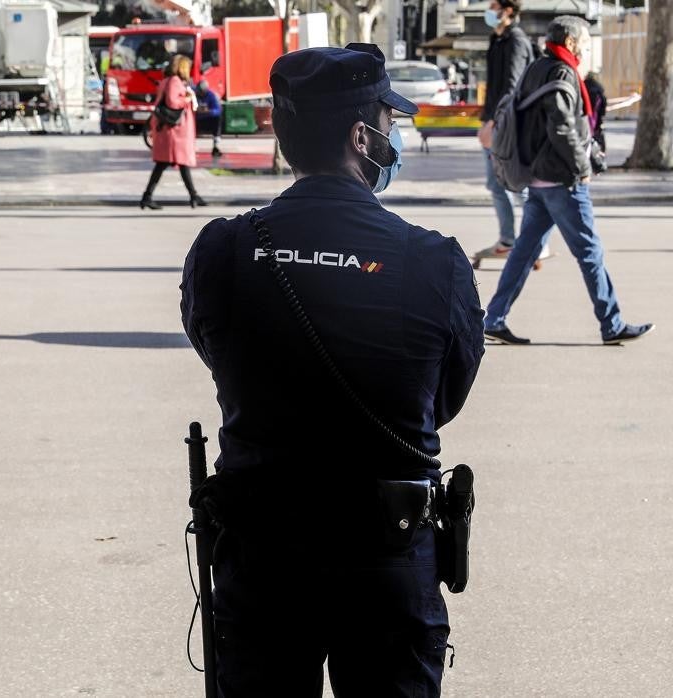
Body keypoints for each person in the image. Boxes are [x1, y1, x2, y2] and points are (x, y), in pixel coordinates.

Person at [181, 43, 484, 696]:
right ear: (361, 136)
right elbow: (444, 399)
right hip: (388, 558)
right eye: (390, 122)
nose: (395, 136)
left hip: (264, 559)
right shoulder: (436, 264)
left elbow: (218, 357)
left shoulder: (222, 252)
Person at [482, 16, 652, 346]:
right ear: (572, 43)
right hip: (561, 181)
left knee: (524, 254)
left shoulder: (537, 67)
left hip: (538, 179)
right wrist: (580, 166)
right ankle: (612, 323)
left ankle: (495, 317)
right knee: (590, 253)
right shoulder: (562, 72)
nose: (587, 51)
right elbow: (561, 126)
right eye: (586, 45)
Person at [476, 0, 542, 265]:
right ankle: (509, 240)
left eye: (494, 6)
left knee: (516, 185)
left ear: (508, 10)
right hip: (496, 121)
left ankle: (531, 242)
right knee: (497, 184)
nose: (489, 11)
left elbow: (511, 87)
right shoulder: (498, 39)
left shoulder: (515, 41)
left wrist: (494, 122)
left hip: (507, 125)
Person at [141, 54, 204, 210]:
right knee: (177, 163)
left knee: (170, 164)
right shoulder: (174, 82)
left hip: (170, 130)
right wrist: (187, 99)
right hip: (174, 131)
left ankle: (193, 196)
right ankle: (192, 196)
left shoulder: (167, 81)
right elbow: (172, 102)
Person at [196, 78, 222, 158]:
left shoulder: (211, 95)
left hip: (207, 118)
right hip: (195, 118)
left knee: (217, 119)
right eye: (199, 91)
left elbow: (218, 110)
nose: (200, 94)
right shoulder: (193, 94)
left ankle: (216, 145)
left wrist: (209, 111)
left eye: (202, 92)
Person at [585, 71, 606, 154]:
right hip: (595, 119)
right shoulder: (599, 89)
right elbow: (603, 106)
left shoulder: (583, 87)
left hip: (585, 118)